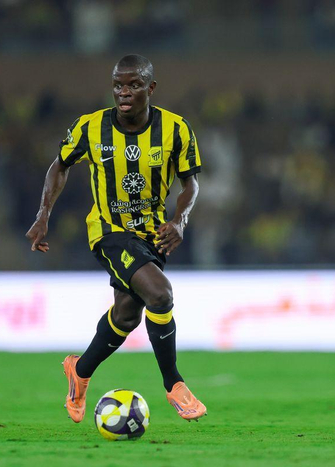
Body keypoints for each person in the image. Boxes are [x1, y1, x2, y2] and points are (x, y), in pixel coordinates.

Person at [25, 54, 206, 423]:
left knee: (126, 315)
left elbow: (190, 183)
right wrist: (43, 215)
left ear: (150, 88)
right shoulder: (90, 127)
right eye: (118, 85)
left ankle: (80, 370)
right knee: (160, 294)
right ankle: (174, 384)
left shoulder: (176, 129)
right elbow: (60, 165)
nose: (124, 92)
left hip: (152, 234)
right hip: (109, 231)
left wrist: (179, 221)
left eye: (133, 85)